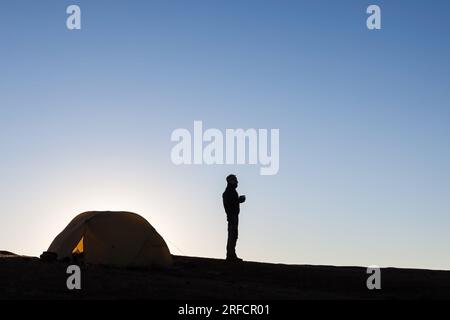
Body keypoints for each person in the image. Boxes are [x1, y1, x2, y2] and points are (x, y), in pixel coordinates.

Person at [222, 174, 246, 261]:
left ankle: (232, 254)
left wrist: (238, 201)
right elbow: (229, 204)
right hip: (232, 216)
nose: (237, 182)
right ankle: (230, 255)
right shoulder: (228, 192)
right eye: (235, 180)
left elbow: (232, 203)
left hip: (234, 216)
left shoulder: (231, 191)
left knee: (234, 235)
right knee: (232, 235)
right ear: (230, 181)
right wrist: (238, 200)